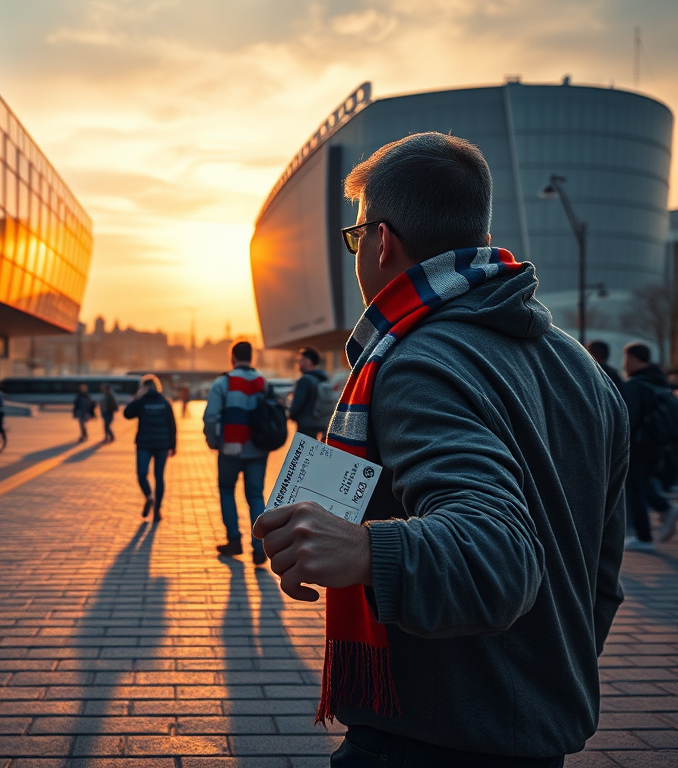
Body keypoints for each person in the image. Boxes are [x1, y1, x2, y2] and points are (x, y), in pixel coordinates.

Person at [252, 132, 627, 766]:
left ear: (379, 240)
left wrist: (366, 548)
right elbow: (602, 577)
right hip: (537, 729)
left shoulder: (418, 362)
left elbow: (501, 554)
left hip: (427, 738)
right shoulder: (581, 369)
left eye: (354, 238)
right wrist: (536, 679)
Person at [203, 340, 270, 566]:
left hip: (230, 449)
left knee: (226, 491)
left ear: (232, 357)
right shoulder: (263, 382)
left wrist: (214, 443)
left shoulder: (223, 383)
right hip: (258, 449)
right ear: (252, 357)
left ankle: (234, 540)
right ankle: (259, 549)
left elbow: (211, 417)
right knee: (255, 496)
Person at [620, 341, 678, 548]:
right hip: (658, 443)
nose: (624, 363)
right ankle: (664, 507)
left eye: (625, 358)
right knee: (643, 481)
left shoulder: (635, 385)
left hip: (639, 443)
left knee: (634, 486)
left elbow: (630, 418)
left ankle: (644, 537)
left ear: (634, 359)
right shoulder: (659, 381)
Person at [123, 374, 177, 520]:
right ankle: (157, 510)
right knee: (159, 477)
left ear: (143, 388)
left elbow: (127, 414)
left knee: (142, 475)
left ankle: (149, 496)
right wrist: (173, 445)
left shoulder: (141, 402)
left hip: (144, 445)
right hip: (162, 445)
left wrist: (136, 398)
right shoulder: (165, 402)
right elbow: (172, 425)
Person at [287, 346, 330, 440]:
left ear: (308, 361)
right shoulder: (323, 378)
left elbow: (298, 403)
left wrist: (290, 415)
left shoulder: (304, 380)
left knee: (303, 452)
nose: (298, 363)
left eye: (300, 360)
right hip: (320, 421)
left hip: (306, 425)